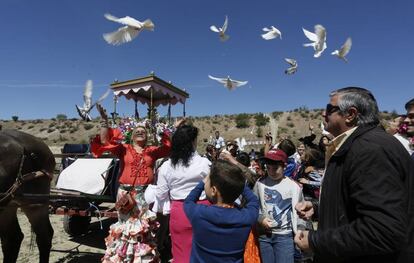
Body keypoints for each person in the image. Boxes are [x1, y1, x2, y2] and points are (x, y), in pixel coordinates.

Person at [294, 87, 414, 262]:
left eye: (329, 109)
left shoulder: (370, 149)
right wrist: (320, 209)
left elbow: (382, 230)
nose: (322, 113)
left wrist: (316, 241)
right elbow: (361, 205)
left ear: (350, 114)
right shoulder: (356, 146)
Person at [92, 104, 179, 263]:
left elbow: (169, 147)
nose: (140, 132)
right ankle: (124, 258)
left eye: (143, 131)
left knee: (144, 229)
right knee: (126, 229)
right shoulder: (123, 149)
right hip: (126, 195)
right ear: (131, 136)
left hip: (145, 195)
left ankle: (143, 259)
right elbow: (104, 141)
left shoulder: (152, 151)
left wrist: (172, 129)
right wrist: (104, 121)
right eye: (136, 131)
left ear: (147, 136)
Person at [183, 160, 259, 263]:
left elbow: (188, 201)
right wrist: (238, 185)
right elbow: (254, 200)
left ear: (214, 190)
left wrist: (201, 183)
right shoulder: (247, 217)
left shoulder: (199, 213)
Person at [155, 124, 211, 263]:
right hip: (203, 209)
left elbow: (161, 194)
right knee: (204, 251)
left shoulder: (167, 166)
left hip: (180, 210)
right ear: (192, 142)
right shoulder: (204, 163)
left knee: (181, 252)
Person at [254, 149, 305, 263]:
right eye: (268, 167)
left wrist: (300, 230)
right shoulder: (260, 183)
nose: (271, 171)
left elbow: (301, 212)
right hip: (264, 236)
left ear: (284, 166)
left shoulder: (294, 187)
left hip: (284, 236)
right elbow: (253, 206)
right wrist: (260, 219)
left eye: (275, 167)